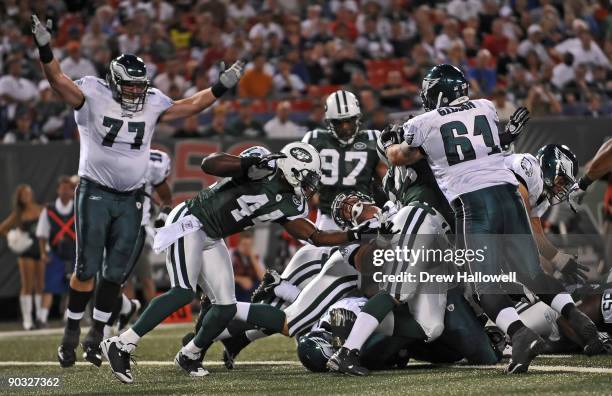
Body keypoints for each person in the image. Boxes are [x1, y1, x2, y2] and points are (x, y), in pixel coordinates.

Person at [30, 14, 244, 368]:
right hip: (94, 190)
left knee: (115, 273)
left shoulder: (153, 100)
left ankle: (95, 335)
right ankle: (70, 331)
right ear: (114, 82)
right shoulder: (93, 92)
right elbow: (56, 79)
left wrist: (220, 86)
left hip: (131, 198)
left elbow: (187, 105)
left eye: (139, 85)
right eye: (128, 85)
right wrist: (44, 47)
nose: (135, 91)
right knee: (85, 269)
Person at [382, 64, 603, 373]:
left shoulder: (424, 122)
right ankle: (577, 318)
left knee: (484, 286)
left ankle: (520, 335)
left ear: (439, 93)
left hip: (474, 203)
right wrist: (506, 134)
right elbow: (484, 142)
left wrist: (391, 141)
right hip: (509, 195)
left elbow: (399, 157)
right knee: (531, 274)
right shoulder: (485, 107)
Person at [101, 142, 383, 383]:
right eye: (308, 177)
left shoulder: (291, 202)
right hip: (191, 222)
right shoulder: (262, 166)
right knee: (183, 291)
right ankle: (122, 343)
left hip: (213, 236)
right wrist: (246, 162)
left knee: (225, 306)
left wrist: (353, 234)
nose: (310, 186)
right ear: (293, 169)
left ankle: (190, 354)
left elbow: (315, 236)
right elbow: (209, 164)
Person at [0, 184, 44, 330]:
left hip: (41, 250)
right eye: (23, 195)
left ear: (31, 194)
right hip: (26, 252)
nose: (26, 196)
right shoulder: (18, 213)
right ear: (19, 198)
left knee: (40, 286)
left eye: (27, 193)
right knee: (27, 286)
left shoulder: (40, 209)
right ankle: (27, 320)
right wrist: (13, 237)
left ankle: (39, 318)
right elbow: (2, 228)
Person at [36, 176, 76, 328]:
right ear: (58, 190)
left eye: (68, 188)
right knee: (49, 287)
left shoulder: (78, 208)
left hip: (74, 254)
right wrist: (43, 253)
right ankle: (42, 318)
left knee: (74, 287)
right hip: (55, 254)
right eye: (62, 188)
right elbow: (42, 234)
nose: (65, 191)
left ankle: (68, 317)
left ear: (73, 191)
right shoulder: (49, 210)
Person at [232, 231, 264, 302]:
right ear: (239, 244)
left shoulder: (256, 256)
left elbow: (262, 277)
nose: (247, 248)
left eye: (250, 245)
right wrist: (240, 280)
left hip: (251, 291)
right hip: (235, 289)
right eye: (244, 244)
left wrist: (253, 259)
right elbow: (224, 275)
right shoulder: (231, 254)